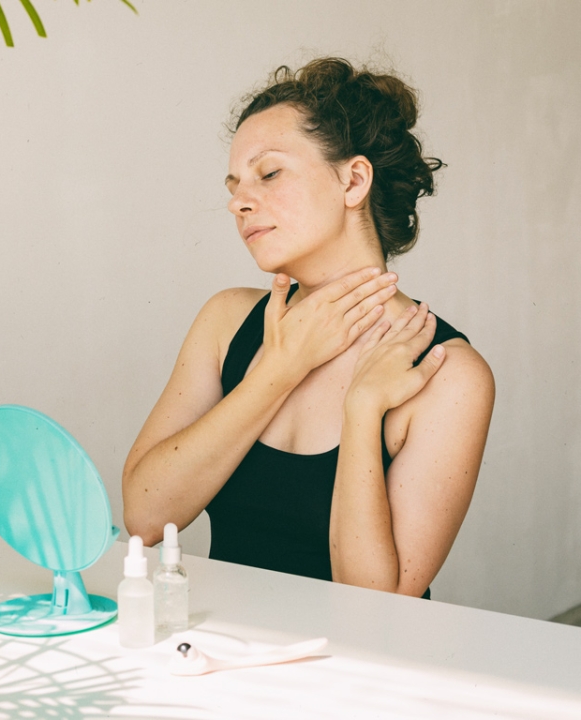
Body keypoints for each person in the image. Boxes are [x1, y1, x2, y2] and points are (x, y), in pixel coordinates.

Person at [121, 58, 495, 598]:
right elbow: (145, 518)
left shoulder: (446, 372)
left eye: (269, 174)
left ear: (354, 180)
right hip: (214, 642)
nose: (238, 202)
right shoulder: (226, 322)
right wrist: (279, 369)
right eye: (234, 185)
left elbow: (377, 602)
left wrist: (362, 410)